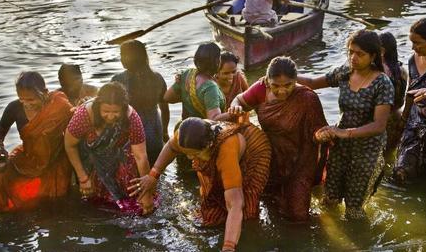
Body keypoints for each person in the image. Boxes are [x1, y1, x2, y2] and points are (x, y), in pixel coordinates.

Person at [128, 117, 271, 252]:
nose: (190, 158)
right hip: (217, 150)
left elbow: (235, 204)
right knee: (210, 213)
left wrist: (228, 247)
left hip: (254, 150)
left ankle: (246, 238)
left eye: (194, 154)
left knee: (245, 209)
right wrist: (153, 175)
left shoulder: (225, 152)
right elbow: (171, 147)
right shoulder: (187, 135)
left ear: (208, 145)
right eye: (186, 153)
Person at [296, 30, 394, 219]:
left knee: (354, 208)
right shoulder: (345, 72)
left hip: (368, 149)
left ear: (373, 56)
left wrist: (344, 133)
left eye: (360, 54)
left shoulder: (383, 83)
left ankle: (359, 242)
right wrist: (285, 75)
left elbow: (379, 125)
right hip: (341, 146)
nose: (353, 57)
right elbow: (312, 83)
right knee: (329, 199)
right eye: (350, 52)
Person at [229, 56, 328, 222]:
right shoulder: (261, 89)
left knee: (298, 213)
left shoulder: (307, 98)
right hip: (272, 155)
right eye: (276, 86)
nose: (281, 91)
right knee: (271, 201)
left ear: (295, 81)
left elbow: (317, 129)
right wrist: (235, 106)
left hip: (301, 158)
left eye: (288, 85)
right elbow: (239, 99)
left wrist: (321, 135)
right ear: (268, 81)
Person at [64, 82, 153, 214]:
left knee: (130, 195)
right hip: (88, 154)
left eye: (116, 112)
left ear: (123, 109)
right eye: (106, 111)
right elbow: (69, 145)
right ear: (98, 106)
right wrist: (82, 177)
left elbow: (141, 156)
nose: (111, 116)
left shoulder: (132, 117)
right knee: (90, 199)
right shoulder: (85, 114)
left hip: (115, 151)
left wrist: (147, 194)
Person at [0, 72, 73, 212]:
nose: (27, 104)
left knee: (52, 205)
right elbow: (0, 129)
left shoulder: (59, 106)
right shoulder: (15, 108)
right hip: (28, 158)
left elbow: (77, 126)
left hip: (54, 162)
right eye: (22, 99)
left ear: (45, 93)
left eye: (31, 99)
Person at [393, 18, 426, 183]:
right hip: (415, 126)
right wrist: (402, 121)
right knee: (401, 173)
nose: (413, 47)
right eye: (411, 42)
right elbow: (410, 93)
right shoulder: (413, 59)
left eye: (418, 43)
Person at [112, 40, 170, 166]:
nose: (120, 58)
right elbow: (164, 108)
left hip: (133, 136)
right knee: (155, 173)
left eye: (122, 55)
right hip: (154, 133)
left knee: (133, 175)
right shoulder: (157, 78)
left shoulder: (118, 80)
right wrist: (164, 132)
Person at [164, 42, 233, 121]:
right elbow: (214, 119)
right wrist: (234, 113)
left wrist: (188, 98)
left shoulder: (187, 74)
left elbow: (167, 98)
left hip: (184, 126)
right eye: (220, 58)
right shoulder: (210, 87)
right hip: (202, 131)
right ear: (217, 61)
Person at [379, 32, 408, 159]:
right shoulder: (402, 70)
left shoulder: (378, 71)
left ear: (382, 51)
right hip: (397, 117)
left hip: (380, 119)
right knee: (390, 154)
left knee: (377, 156)